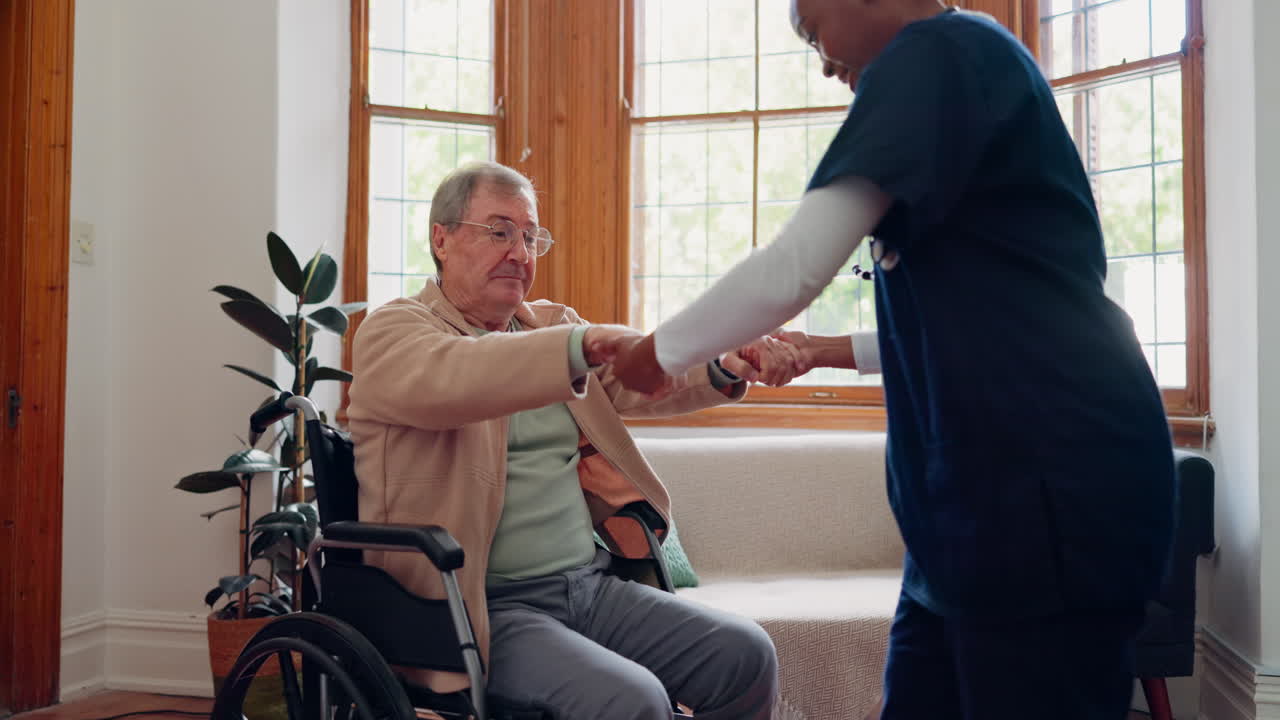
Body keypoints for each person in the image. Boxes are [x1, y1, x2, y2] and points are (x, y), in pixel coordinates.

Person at [611, 1, 1176, 718]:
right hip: (959, 529)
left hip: (1047, 501)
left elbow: (794, 266)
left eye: (813, 31)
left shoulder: (938, 54)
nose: (820, 61)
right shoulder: (957, 74)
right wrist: (821, 351)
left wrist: (650, 356)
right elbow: (975, 316)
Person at [346, 161, 789, 720]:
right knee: (634, 702)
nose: (520, 252)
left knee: (745, 656)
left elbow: (642, 376)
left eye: (530, 236)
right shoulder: (396, 331)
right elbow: (463, 374)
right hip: (483, 611)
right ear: (442, 238)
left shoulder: (550, 326)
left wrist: (724, 365)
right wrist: (580, 343)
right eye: (499, 231)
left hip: (591, 587)